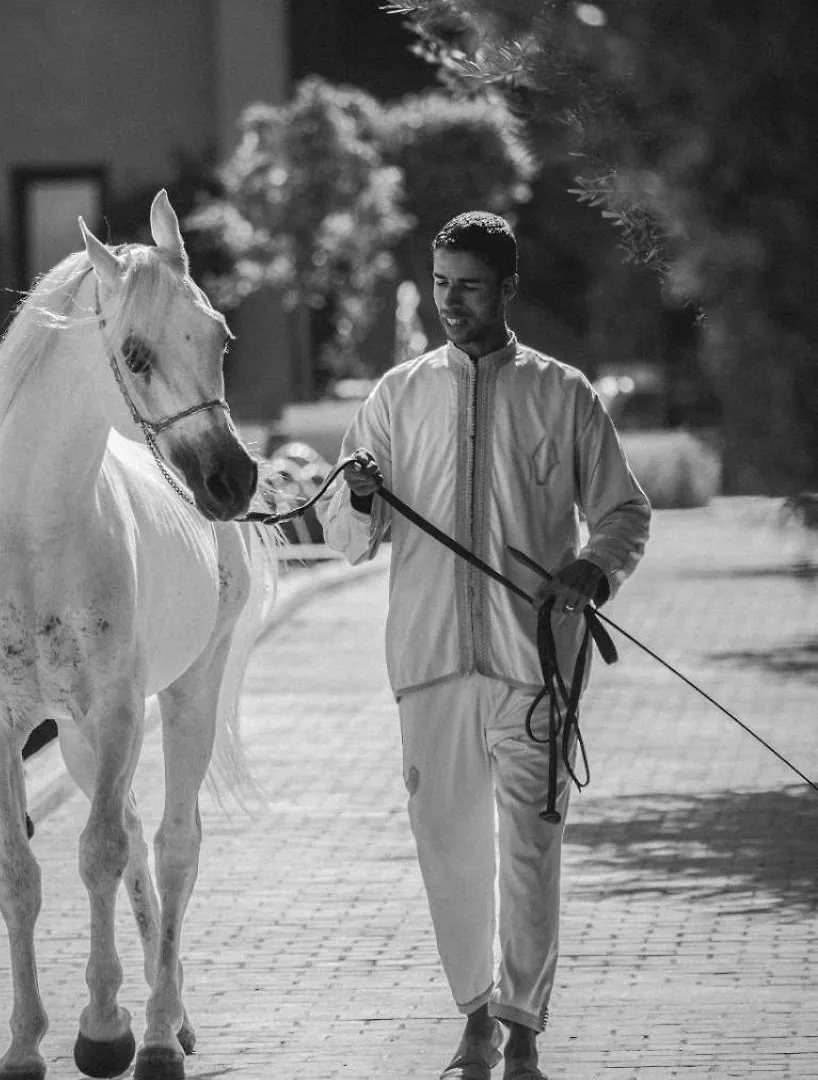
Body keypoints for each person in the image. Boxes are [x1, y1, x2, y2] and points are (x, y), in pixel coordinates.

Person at [316, 211, 651, 1080]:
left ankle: (522, 1028)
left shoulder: (564, 394)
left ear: (508, 288)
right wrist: (355, 498)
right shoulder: (394, 397)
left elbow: (624, 511)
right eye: (439, 284)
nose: (450, 302)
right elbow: (353, 538)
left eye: (469, 285)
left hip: (535, 665)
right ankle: (474, 1015)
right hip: (428, 664)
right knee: (449, 850)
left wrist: (590, 570)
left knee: (531, 849)